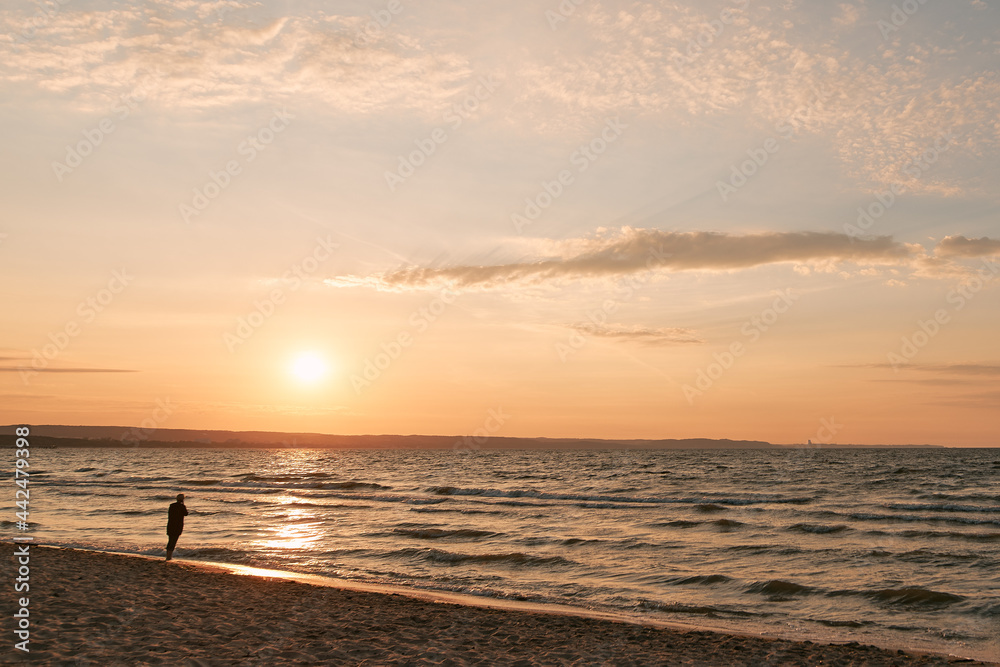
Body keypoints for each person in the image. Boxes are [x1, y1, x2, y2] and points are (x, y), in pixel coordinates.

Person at [165, 493, 188, 561]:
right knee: (174, 541)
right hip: (177, 526)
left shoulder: (172, 506)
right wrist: (183, 505)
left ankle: (168, 555)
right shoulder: (182, 506)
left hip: (170, 525)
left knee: (170, 540)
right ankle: (169, 557)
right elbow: (186, 514)